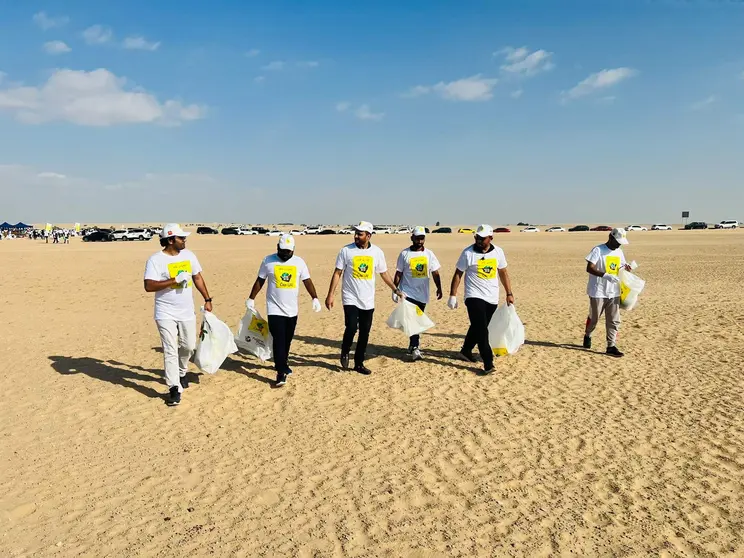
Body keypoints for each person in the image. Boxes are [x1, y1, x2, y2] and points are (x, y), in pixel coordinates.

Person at [143, 223, 213, 406]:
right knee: (170, 349)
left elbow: (197, 277)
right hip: (165, 311)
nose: (185, 241)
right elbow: (149, 286)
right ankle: (173, 387)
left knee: (188, 346)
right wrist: (173, 280)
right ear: (171, 240)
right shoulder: (155, 260)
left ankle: (182, 372)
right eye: (181, 238)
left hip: (186, 311)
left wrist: (207, 298)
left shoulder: (189, 256)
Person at [325, 221, 403, 375]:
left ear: (368, 236)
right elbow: (337, 273)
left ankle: (358, 363)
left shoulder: (377, 252)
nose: (356, 236)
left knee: (365, 332)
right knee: (352, 327)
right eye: (356, 233)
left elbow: (384, 273)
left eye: (360, 234)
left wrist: (395, 289)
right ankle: (345, 351)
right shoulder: (346, 251)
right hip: (350, 297)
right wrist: (330, 295)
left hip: (367, 299)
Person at [246, 234, 322, 387]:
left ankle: (283, 362)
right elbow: (260, 281)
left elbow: (307, 281)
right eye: (283, 251)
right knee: (279, 339)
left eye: (288, 251)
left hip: (292, 310)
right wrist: (251, 298)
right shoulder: (268, 261)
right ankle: (281, 371)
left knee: (287, 339)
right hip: (274, 309)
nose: (285, 254)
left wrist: (314, 297)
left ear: (293, 250)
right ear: (277, 248)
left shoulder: (299, 263)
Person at [448, 224, 514, 375]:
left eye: (482, 238)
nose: (479, 241)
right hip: (473, 296)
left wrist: (509, 293)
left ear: (490, 238)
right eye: (477, 237)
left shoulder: (498, 252)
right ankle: (488, 362)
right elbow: (458, 274)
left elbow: (503, 273)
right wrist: (453, 294)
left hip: (491, 297)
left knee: (478, 326)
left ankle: (465, 350)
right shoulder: (467, 253)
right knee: (482, 330)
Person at [393, 226, 443, 360]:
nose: (420, 241)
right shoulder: (404, 254)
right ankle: (415, 347)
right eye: (417, 238)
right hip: (407, 293)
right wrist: (395, 289)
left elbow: (435, 272)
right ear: (412, 238)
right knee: (413, 320)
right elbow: (399, 272)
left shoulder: (429, 254)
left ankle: (412, 345)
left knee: (417, 321)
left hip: (423, 294)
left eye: (422, 238)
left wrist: (439, 287)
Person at [583, 227, 632, 357]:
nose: (618, 244)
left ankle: (611, 345)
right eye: (617, 242)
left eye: (620, 242)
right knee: (594, 318)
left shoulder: (619, 252)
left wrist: (627, 268)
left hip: (614, 291)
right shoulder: (598, 250)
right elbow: (589, 267)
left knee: (613, 320)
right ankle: (588, 334)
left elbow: (620, 267)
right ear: (610, 237)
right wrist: (605, 275)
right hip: (598, 291)